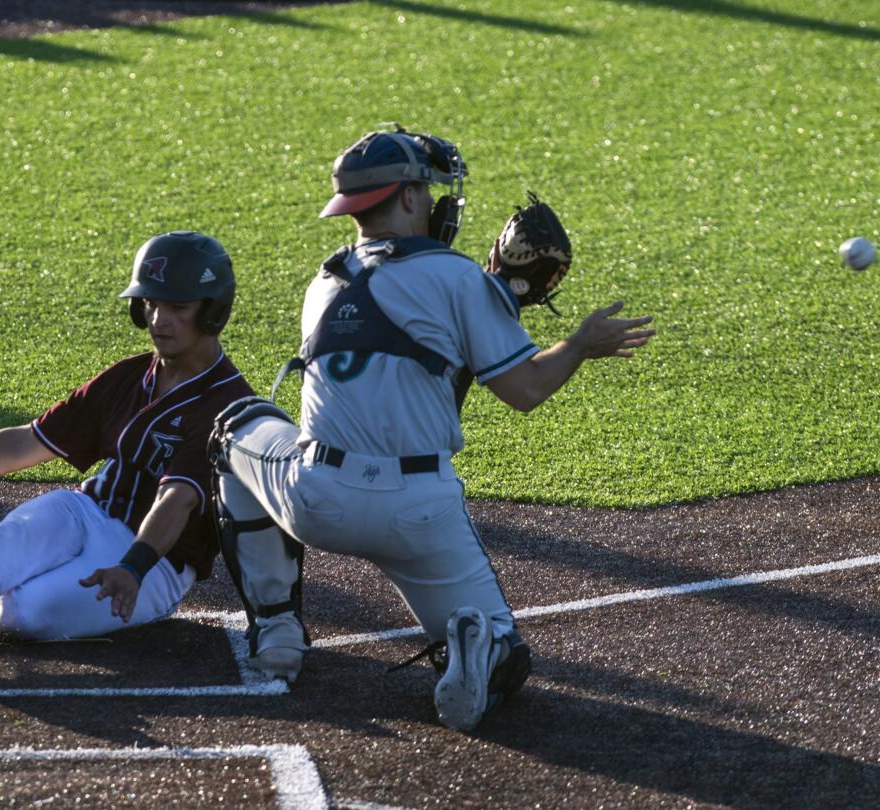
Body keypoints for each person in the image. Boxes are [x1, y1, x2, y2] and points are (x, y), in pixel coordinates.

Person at [203, 128, 657, 730]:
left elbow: (402, 353)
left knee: (234, 428)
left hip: (318, 500)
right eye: (429, 188)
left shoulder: (323, 283)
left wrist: (494, 299)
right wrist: (578, 343)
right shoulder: (460, 278)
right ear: (411, 198)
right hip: (420, 511)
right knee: (507, 656)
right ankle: (477, 643)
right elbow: (524, 390)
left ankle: (278, 627)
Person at [0, 231, 296, 662]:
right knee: (12, 540)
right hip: (85, 511)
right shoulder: (128, 375)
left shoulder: (227, 404)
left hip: (157, 563)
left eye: (177, 306)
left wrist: (133, 569)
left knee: (30, 612)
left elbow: (176, 501)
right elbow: (27, 442)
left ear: (213, 311)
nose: (159, 319)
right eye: (151, 304)